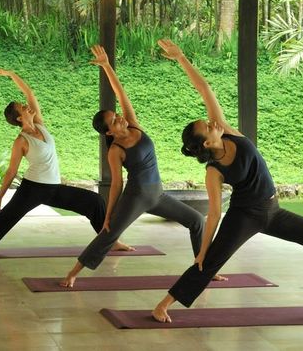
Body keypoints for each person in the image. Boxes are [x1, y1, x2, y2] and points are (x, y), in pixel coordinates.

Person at [151, 39, 303, 323]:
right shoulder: (213, 171)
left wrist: (181, 57)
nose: (212, 123)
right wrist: (203, 250)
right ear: (207, 142)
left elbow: (205, 89)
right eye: (207, 126)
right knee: (209, 262)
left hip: (273, 210)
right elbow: (214, 214)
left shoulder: (227, 131)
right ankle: (163, 305)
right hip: (244, 216)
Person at [61, 45, 210, 288]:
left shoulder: (133, 125)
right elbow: (116, 185)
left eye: (116, 114)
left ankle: (203, 268)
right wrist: (109, 215)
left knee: (196, 220)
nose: (119, 117)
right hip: (136, 198)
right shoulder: (115, 151)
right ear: (109, 132)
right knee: (109, 234)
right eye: (114, 120)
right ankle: (73, 273)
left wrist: (107, 66)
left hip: (158, 195)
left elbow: (121, 94)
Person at [0, 69, 132, 256]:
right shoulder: (21, 141)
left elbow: (29, 93)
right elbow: (11, 171)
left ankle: (111, 242)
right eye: (23, 108)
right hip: (33, 188)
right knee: (7, 217)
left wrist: (11, 74)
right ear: (19, 118)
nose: (27, 106)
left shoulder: (39, 124)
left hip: (53, 188)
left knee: (94, 201)